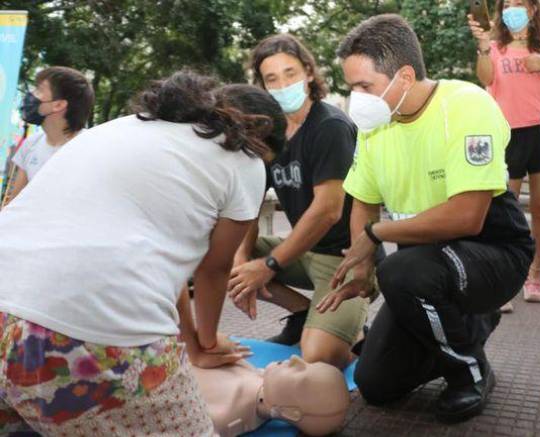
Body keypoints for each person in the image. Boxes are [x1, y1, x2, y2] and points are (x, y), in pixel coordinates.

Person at [0, 71, 286, 435]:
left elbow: (169, 267)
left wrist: (190, 342)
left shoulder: (123, 127)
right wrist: (208, 343)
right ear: (262, 141)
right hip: (90, 332)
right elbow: (212, 269)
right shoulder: (245, 161)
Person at [315, 14, 535, 423]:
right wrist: (362, 266)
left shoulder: (466, 105)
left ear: (404, 75)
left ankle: (468, 372)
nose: (357, 98)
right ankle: (457, 327)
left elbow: (468, 216)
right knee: (375, 384)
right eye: (352, 88)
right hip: (424, 264)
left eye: (365, 86)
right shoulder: (374, 126)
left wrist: (375, 235)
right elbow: (362, 198)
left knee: (402, 272)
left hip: (492, 252)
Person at [228, 34, 372, 370]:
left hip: (343, 260)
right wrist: (238, 261)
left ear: (309, 73)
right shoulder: (268, 134)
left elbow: (328, 211)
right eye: (272, 79)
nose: (283, 85)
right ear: (262, 87)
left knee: (318, 356)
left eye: (290, 73)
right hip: (302, 250)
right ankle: (306, 314)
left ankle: (355, 334)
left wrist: (267, 266)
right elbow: (249, 203)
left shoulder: (330, 126)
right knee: (214, 250)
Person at [468, 0, 540, 304]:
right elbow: (485, 79)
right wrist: (484, 46)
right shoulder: (495, 46)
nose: (512, 8)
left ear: (533, 9)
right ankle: (502, 281)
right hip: (505, 133)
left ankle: (534, 276)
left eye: (519, 3)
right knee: (502, 211)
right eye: (507, 3)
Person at [177, 292, 350, 437]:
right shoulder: (257, 375)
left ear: (290, 412)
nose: (296, 360)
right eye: (307, 364)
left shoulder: (228, 415)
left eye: (301, 375)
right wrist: (212, 342)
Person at [1, 66, 94, 208]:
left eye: (39, 90)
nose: (31, 95)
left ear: (58, 105)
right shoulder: (31, 144)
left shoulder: (88, 148)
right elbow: (14, 203)